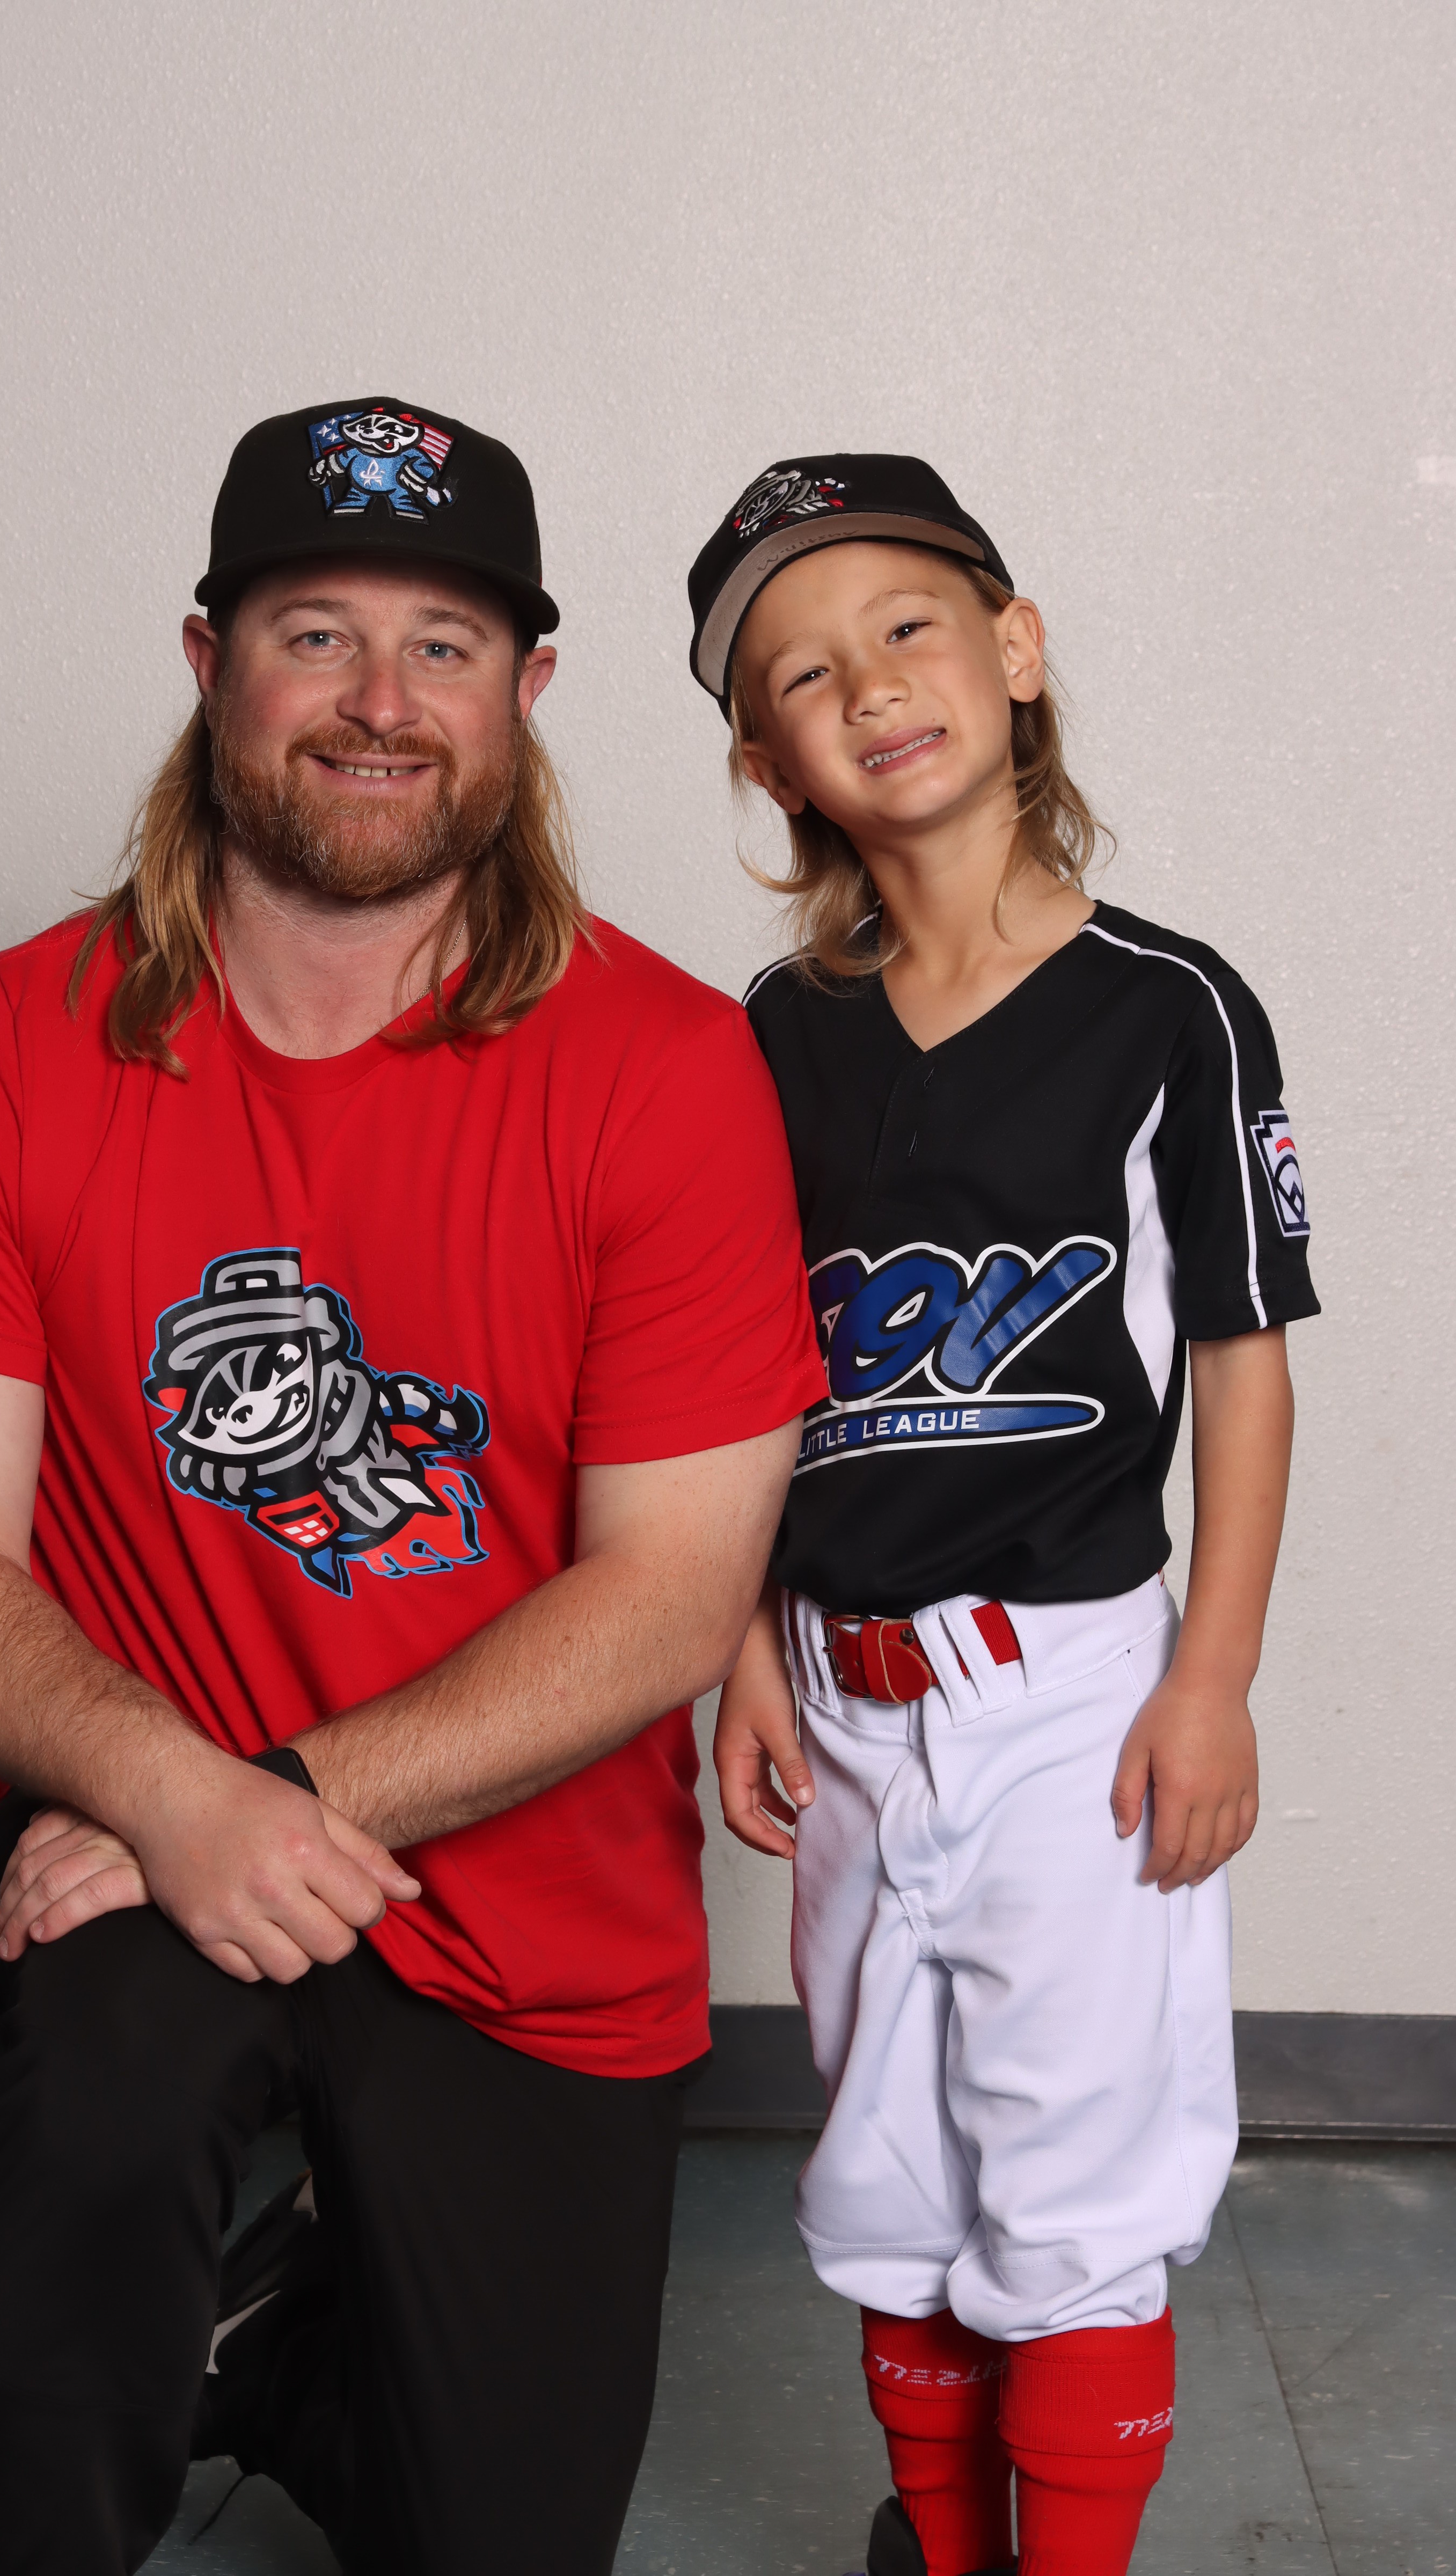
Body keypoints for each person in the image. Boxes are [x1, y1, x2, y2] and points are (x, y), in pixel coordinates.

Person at [0, 396, 829, 2576]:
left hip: (520, 1884)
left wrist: (272, 1792)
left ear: (525, 692)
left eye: (443, 646)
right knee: (92, 2139)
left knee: (494, 2531)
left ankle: (278, 2348)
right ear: (210, 664)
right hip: (147, 1839)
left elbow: (667, 1592)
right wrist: (171, 1794)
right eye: (316, 634)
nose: (380, 701)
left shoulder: (661, 1070)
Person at [690, 455, 1317, 2576]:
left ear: (1014, 650)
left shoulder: (1164, 1005)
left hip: (1070, 1696)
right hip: (839, 1696)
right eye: (799, 675)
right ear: (764, 764)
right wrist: (739, 1650)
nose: (866, 686)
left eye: (905, 628)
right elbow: (724, 1388)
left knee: (1072, 2195)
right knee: (891, 2184)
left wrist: (1213, 1680)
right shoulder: (772, 1039)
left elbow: (1239, 1362)